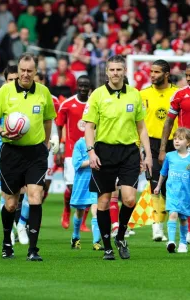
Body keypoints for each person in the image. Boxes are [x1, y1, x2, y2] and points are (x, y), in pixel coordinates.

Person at [0, 53, 56, 261]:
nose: (25, 74)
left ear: (36, 72)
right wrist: (1, 132)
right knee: (10, 203)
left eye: (29, 71)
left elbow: (48, 120)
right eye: (22, 71)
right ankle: (7, 241)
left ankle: (33, 250)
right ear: (18, 70)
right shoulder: (5, 91)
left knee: (36, 197)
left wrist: (45, 145)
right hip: (11, 152)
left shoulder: (43, 92)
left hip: (35, 153)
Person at [83, 55, 152, 260]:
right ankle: (107, 247)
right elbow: (89, 126)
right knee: (103, 202)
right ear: (107, 72)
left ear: (124, 71)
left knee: (130, 200)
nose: (115, 73)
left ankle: (120, 236)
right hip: (103, 152)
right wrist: (91, 151)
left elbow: (141, 127)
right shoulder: (97, 95)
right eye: (112, 70)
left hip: (129, 152)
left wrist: (147, 155)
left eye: (119, 70)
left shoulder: (134, 95)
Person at [0, 64, 29, 246]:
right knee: (7, 194)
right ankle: (10, 230)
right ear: (5, 81)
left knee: (29, 191)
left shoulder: (27, 96)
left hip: (27, 151)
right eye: (10, 80)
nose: (14, 82)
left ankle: (21, 224)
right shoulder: (2, 97)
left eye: (15, 79)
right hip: (5, 151)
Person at [140, 60, 178, 242]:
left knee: (175, 187)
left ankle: (177, 225)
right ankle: (157, 227)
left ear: (167, 74)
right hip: (151, 145)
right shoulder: (143, 94)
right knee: (155, 184)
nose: (152, 75)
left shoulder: (177, 93)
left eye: (156, 72)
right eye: (151, 71)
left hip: (176, 145)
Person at [56, 75, 93, 231]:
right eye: (81, 86)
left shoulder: (94, 103)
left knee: (89, 187)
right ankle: (66, 211)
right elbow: (59, 125)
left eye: (86, 86)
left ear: (89, 88)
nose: (83, 89)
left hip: (90, 151)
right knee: (72, 187)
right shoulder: (67, 104)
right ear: (76, 86)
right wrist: (59, 147)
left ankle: (82, 222)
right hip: (72, 152)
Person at [159, 63, 190, 244]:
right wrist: (163, 148)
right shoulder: (179, 94)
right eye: (187, 75)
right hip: (185, 147)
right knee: (183, 187)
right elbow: (168, 123)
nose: (189, 78)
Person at [154, 127, 190, 253]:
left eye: (180, 139)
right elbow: (163, 172)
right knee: (173, 214)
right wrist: (158, 186)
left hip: (186, 195)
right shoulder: (169, 156)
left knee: (184, 219)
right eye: (175, 139)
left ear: (188, 142)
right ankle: (171, 241)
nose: (176, 141)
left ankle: (183, 243)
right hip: (172, 193)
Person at [70, 137, 103, 251]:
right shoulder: (79, 143)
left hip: (96, 180)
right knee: (80, 212)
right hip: (82, 182)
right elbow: (76, 163)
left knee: (96, 210)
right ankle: (75, 237)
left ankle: (96, 242)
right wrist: (92, 161)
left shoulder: (100, 142)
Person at [34, 72, 60, 202]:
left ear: (43, 81)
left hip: (48, 143)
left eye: (38, 81)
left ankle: (38, 203)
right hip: (32, 142)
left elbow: (58, 122)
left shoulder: (53, 99)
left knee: (46, 181)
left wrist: (58, 142)